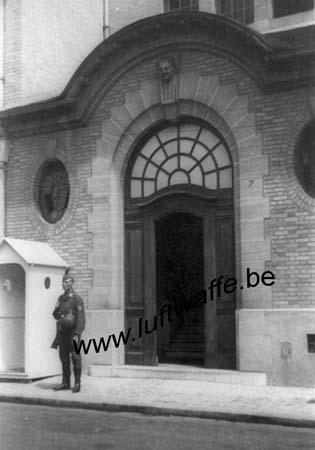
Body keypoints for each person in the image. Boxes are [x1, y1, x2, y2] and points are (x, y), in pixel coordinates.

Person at [51, 268, 85, 393]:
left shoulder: (77, 298)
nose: (64, 284)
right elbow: (55, 315)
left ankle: (77, 383)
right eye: (63, 282)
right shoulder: (60, 298)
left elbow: (81, 318)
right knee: (63, 357)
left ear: (72, 283)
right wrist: (55, 309)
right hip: (62, 333)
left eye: (66, 282)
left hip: (73, 333)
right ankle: (65, 382)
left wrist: (77, 334)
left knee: (75, 357)